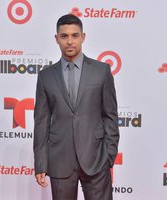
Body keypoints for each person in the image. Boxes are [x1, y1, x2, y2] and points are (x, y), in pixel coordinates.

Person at [33, 14, 119, 200]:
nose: (70, 41)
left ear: (83, 37)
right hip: (60, 160)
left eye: (74, 35)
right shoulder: (45, 76)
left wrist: (109, 156)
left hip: (96, 159)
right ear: (56, 39)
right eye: (64, 36)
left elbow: (110, 116)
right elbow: (41, 122)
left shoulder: (101, 71)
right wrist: (41, 163)